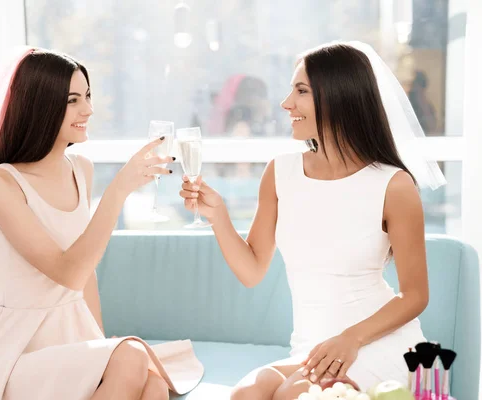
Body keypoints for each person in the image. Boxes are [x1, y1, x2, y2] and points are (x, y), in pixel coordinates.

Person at [0, 48, 203, 400]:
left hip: (72, 335)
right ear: (40, 105)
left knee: (154, 381)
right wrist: (118, 191)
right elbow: (67, 272)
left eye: (87, 96)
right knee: (133, 357)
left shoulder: (80, 170)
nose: (87, 109)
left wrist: (99, 346)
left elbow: (86, 273)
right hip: (18, 351)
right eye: (73, 100)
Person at [179, 41, 445, 398]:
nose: (286, 103)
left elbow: (415, 295)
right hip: (312, 348)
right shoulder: (281, 171)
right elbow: (253, 269)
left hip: (375, 343)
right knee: (246, 394)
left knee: (295, 392)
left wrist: (351, 338)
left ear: (337, 96)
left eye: (300, 91)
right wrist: (218, 216)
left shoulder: (393, 185)